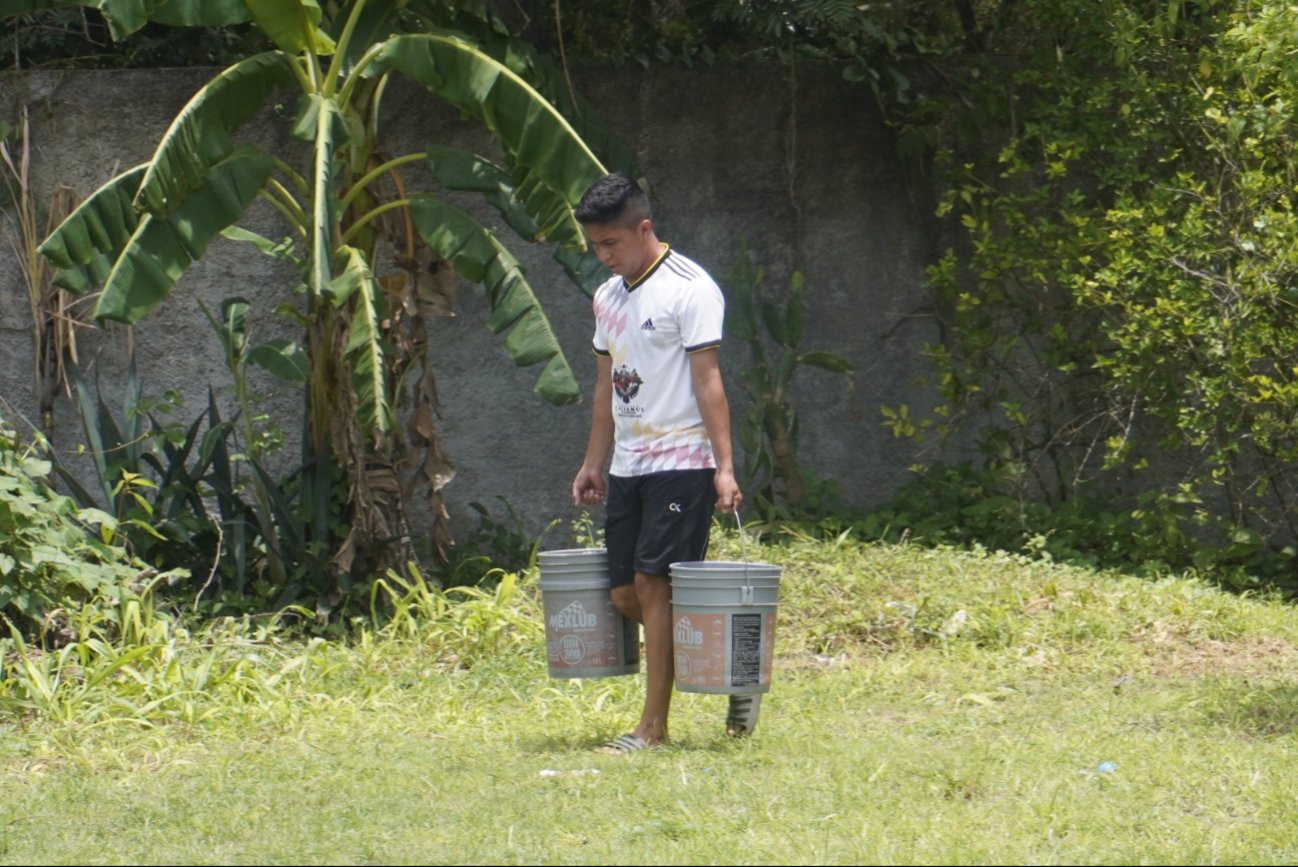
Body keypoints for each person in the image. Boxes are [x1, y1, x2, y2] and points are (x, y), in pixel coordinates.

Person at [569, 172, 755, 755]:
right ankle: (736, 661)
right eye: (595, 246)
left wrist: (724, 467)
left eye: (611, 243)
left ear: (643, 228)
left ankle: (652, 729)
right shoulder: (607, 297)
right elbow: (606, 387)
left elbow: (709, 381)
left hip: (683, 459)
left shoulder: (690, 288)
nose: (603, 255)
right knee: (626, 594)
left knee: (654, 584)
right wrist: (593, 462)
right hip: (628, 465)